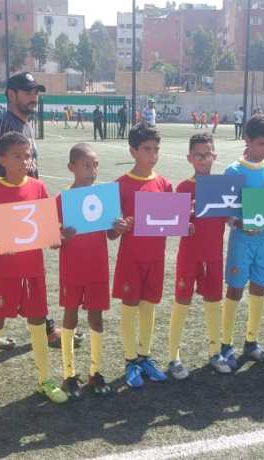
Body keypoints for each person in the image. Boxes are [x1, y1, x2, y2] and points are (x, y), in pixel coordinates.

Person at [0, 131, 69, 421]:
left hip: (33, 270)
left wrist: (55, 238)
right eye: (17, 156)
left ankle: (44, 380)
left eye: (28, 156)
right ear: (2, 159)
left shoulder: (38, 187)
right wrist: (1, 234)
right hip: (5, 271)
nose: (25, 161)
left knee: (37, 322)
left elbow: (46, 228)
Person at [0, 71, 67, 351]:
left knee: (19, 271)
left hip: (30, 207)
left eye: (36, 92)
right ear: (11, 94)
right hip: (16, 211)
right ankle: (43, 328)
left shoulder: (24, 124)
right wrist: (9, 220)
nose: (34, 97)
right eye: (28, 92)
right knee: (12, 271)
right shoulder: (4, 125)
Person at [109, 122, 172, 389]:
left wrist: (185, 222)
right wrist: (118, 227)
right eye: (147, 149)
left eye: (156, 149)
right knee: (130, 306)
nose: (153, 154)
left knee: (149, 306)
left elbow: (171, 223)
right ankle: (130, 360)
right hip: (131, 259)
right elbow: (110, 234)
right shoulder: (120, 185)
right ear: (133, 151)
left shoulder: (164, 184)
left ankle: (145, 356)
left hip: (156, 258)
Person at [56, 144, 117, 398]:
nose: (92, 170)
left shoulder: (104, 197)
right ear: (72, 167)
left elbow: (111, 234)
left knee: (96, 318)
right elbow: (53, 239)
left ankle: (95, 371)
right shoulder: (62, 199)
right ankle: (69, 374)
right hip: (72, 270)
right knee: (70, 317)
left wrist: (119, 227)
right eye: (86, 165)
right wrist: (62, 235)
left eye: (95, 165)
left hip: (97, 268)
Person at [221, 114, 264, 368]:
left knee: (260, 287)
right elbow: (226, 212)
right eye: (261, 144)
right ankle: (225, 344)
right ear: (247, 139)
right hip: (242, 241)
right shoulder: (234, 171)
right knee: (235, 288)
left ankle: (251, 342)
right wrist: (241, 223)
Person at [170, 133, 232, 376]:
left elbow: (230, 219)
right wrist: (185, 220)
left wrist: (244, 219)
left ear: (214, 156)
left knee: (214, 301)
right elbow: (174, 225)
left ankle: (214, 352)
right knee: (182, 301)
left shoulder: (221, 187)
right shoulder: (183, 187)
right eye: (198, 155)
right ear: (190, 158)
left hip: (214, 255)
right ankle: (173, 357)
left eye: (207, 154)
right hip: (189, 256)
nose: (203, 159)